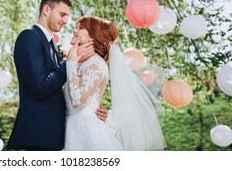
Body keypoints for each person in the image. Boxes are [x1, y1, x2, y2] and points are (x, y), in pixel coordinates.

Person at [6, 0, 104, 151]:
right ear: (46, 10)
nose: (66, 21)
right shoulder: (29, 37)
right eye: (62, 14)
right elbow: (41, 87)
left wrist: (92, 111)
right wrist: (68, 61)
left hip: (55, 136)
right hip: (37, 135)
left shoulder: (51, 45)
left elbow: (65, 88)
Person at [63, 15, 166, 151]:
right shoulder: (82, 63)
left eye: (80, 28)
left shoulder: (95, 65)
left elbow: (77, 101)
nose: (75, 31)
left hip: (85, 131)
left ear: (93, 37)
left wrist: (71, 62)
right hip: (72, 127)